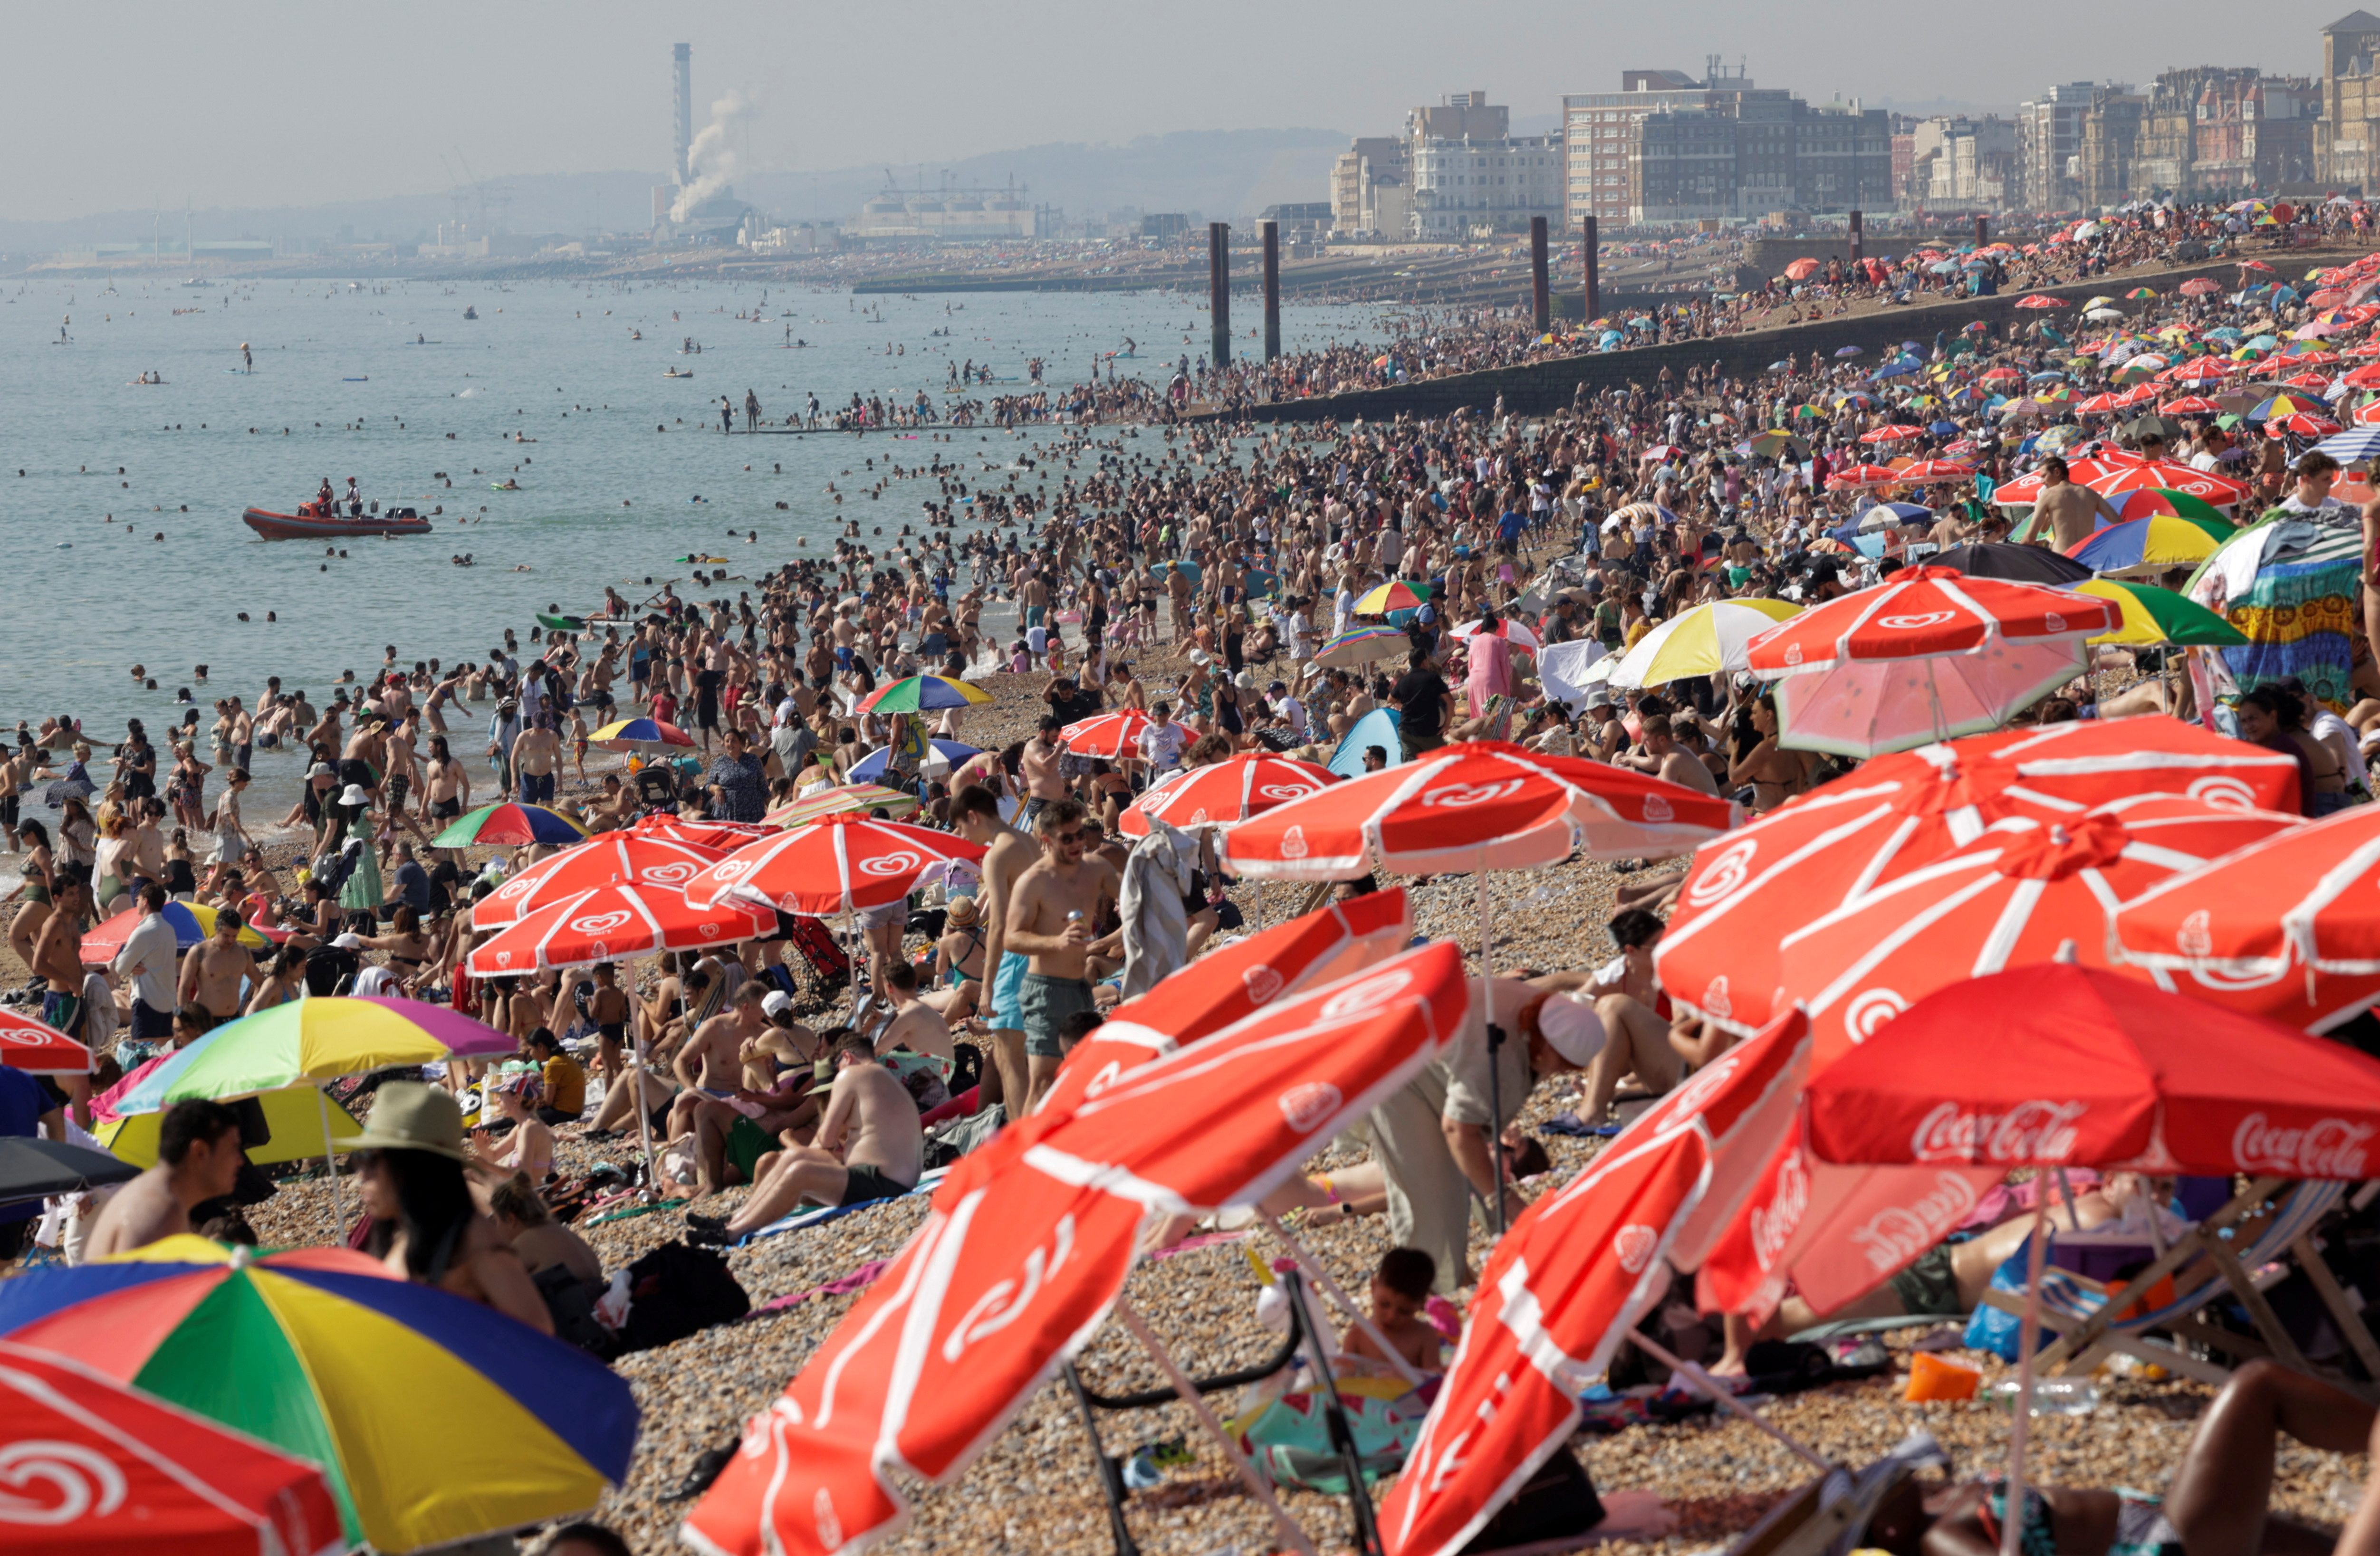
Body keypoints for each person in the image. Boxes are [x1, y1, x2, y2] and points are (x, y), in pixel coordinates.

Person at [1368, 977, 1607, 1291]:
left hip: (1434, 1061)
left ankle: (1485, 1265)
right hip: (1396, 1074)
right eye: (1562, 1066)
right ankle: (1428, 1291)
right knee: (1430, 1198)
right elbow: (1458, 1130)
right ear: (1547, 1047)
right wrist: (1505, 1200)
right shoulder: (1496, 1056)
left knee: (1467, 1177)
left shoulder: (1544, 1012)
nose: (1560, 1073)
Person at [349, 1082, 554, 1334]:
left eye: (370, 1159)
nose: (361, 1175)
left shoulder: (473, 1242)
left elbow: (538, 1332)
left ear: (414, 1165)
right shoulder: (406, 1234)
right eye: (359, 1158)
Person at [686, 1030, 924, 1243]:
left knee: (799, 1169)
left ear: (847, 1057)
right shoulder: (885, 1079)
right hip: (891, 1179)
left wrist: (797, 1147)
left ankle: (732, 1232)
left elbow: (826, 1139)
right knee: (794, 1159)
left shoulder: (852, 1074)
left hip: (880, 1183)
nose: (837, 1073)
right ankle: (733, 1220)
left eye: (837, 1066)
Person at [1004, 798, 1119, 1110]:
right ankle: (1028, 1141)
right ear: (1047, 839)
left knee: (1085, 1072)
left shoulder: (1096, 868)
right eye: (1067, 838)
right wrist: (1057, 942)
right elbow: (1012, 938)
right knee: (1043, 1080)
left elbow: (1132, 896)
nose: (1077, 843)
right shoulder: (1034, 881)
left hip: (1081, 987)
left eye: (1080, 835)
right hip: (1044, 989)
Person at [953, 783, 1036, 1113]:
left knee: (1010, 1060)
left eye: (961, 826)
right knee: (1011, 1051)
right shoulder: (1027, 840)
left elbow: (999, 924)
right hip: (1039, 951)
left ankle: (1020, 1131)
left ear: (974, 817)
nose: (962, 835)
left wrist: (987, 986)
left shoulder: (997, 854)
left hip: (1017, 955)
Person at [80, 1098, 246, 1260]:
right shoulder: (160, 1212)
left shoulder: (154, 1195)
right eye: (233, 1149)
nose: (240, 1161)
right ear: (200, 1152)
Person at [1340, 1246, 1445, 1375]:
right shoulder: (1357, 1337)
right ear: (1373, 1287)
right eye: (1384, 1305)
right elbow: (1343, 1381)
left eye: (1404, 1311)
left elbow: (1433, 1380)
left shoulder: (1424, 1336)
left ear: (1421, 1305)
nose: (1392, 1316)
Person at [0, 1063, 64, 1261]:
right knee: (6, 1262)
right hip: (21, 1192)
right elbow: (56, 1120)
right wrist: (55, 1172)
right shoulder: (22, 1079)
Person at [111, 881, 181, 1044]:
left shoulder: (143, 931)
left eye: (138, 899)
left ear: (145, 901)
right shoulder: (169, 929)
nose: (136, 902)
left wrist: (132, 966)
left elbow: (121, 968)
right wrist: (133, 966)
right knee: (164, 1054)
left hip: (147, 1000)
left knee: (143, 1052)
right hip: (168, 1000)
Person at [177, 903, 256, 1023]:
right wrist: (184, 1019)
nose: (231, 940)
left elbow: (260, 982)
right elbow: (184, 988)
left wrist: (256, 1006)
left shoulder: (243, 952)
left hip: (233, 1018)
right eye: (226, 936)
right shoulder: (200, 951)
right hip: (205, 1019)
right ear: (216, 930)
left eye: (234, 936)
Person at [1392, 649, 1451, 764]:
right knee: (1446, 761)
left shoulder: (1404, 681)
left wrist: (1405, 700)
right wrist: (1447, 726)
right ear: (1424, 662)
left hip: (1406, 730)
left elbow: (1390, 699)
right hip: (1427, 732)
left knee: (1411, 767)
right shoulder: (1433, 679)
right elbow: (1451, 702)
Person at [527, 1030, 586, 1125]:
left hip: (564, 1113)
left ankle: (499, 1126)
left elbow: (547, 1102)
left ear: (541, 1047)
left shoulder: (552, 1065)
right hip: (576, 1111)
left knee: (523, 1113)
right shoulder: (563, 1058)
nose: (530, 1054)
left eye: (530, 1050)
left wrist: (535, 1102)